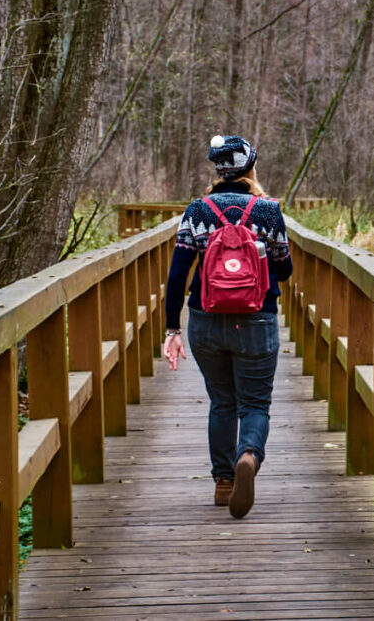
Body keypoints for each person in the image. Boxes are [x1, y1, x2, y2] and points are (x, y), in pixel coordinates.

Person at [162, 135, 292, 518]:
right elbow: (283, 269)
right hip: (257, 319)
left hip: (206, 319)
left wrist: (172, 329)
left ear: (218, 171)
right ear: (251, 167)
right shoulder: (268, 211)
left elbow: (177, 275)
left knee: (222, 402)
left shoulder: (197, 210)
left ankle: (223, 483)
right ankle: (248, 454)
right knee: (254, 403)